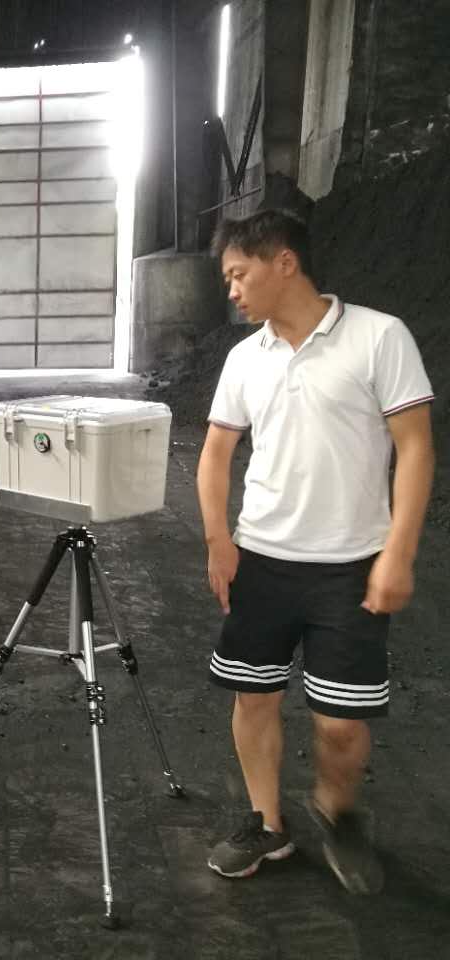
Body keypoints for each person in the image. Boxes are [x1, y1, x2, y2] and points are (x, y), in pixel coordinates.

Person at [197, 209, 434, 894]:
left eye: (238, 274)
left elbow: (416, 448)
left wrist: (398, 553)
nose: (232, 291)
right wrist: (218, 539)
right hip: (262, 559)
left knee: (340, 724)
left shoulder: (379, 337)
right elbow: (216, 453)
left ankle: (337, 810)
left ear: (285, 263)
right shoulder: (245, 358)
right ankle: (266, 823)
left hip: (351, 566)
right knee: (254, 698)